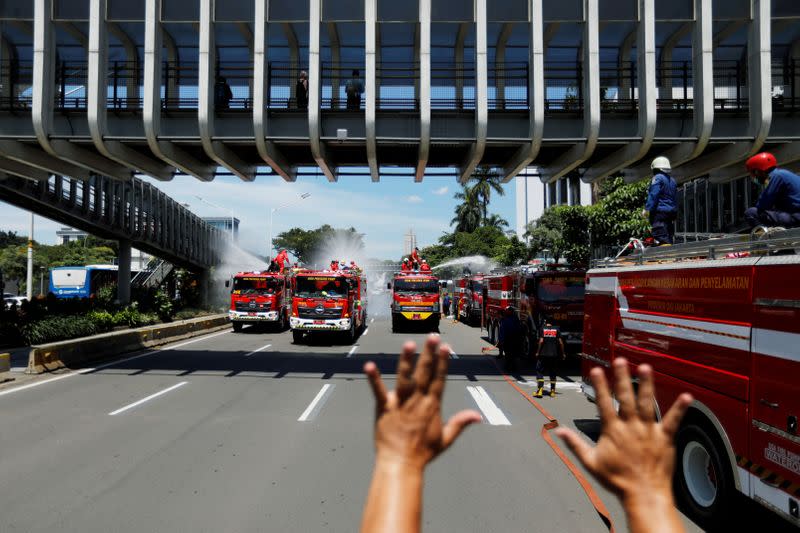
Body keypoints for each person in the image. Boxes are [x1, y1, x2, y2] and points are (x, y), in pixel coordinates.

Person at [361, 337, 693, 533]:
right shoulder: (550, 332)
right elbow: (557, 344)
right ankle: (545, 392)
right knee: (544, 380)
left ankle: (544, 392)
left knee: (542, 379)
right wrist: (647, 497)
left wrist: (398, 465)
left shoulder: (543, 332)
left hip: (542, 361)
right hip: (548, 361)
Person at [744, 151, 800, 228]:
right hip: (795, 214)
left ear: (758, 171)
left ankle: (765, 236)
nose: (754, 177)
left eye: (754, 173)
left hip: (796, 217)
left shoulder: (775, 176)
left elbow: (763, 204)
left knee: (751, 213)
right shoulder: (784, 174)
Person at [643, 156, 678, 245]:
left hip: (660, 212)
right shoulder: (672, 180)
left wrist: (647, 209)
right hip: (671, 211)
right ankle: (669, 250)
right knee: (668, 234)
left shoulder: (658, 178)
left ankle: (665, 254)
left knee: (660, 233)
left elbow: (654, 194)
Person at [534, 317, 565, 398]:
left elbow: (541, 341)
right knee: (552, 372)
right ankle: (552, 391)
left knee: (539, 370)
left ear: (545, 322)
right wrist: (563, 353)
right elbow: (561, 343)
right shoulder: (557, 329)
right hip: (554, 355)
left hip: (543, 354)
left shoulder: (543, 329)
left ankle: (540, 390)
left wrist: (537, 352)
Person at [497, 306, 523, 373]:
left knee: (508, 353)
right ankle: (513, 366)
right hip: (515, 338)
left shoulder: (505, 320)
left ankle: (509, 366)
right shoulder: (516, 319)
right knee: (513, 353)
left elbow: (502, 331)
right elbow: (519, 328)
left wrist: (501, 341)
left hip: (508, 339)